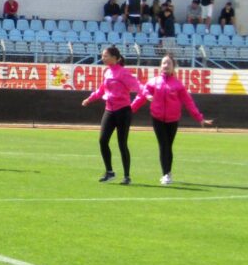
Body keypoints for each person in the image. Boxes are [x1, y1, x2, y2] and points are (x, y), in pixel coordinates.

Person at [130, 55, 214, 185]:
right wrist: (129, 110)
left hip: (173, 120)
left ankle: (167, 173)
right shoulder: (153, 82)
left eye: (169, 63)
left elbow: (189, 102)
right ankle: (166, 174)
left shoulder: (178, 85)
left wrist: (199, 118)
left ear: (173, 67)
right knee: (163, 145)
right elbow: (141, 97)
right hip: (157, 118)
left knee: (168, 146)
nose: (166, 65)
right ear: (160, 66)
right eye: (164, 63)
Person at [81, 45, 141, 185]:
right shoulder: (107, 72)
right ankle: (109, 172)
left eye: (105, 55)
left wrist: (148, 94)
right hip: (109, 110)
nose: (103, 58)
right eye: (103, 55)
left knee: (122, 143)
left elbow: (138, 85)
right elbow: (101, 90)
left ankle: (127, 176)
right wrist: (90, 99)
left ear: (114, 58)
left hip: (123, 111)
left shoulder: (124, 73)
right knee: (103, 140)